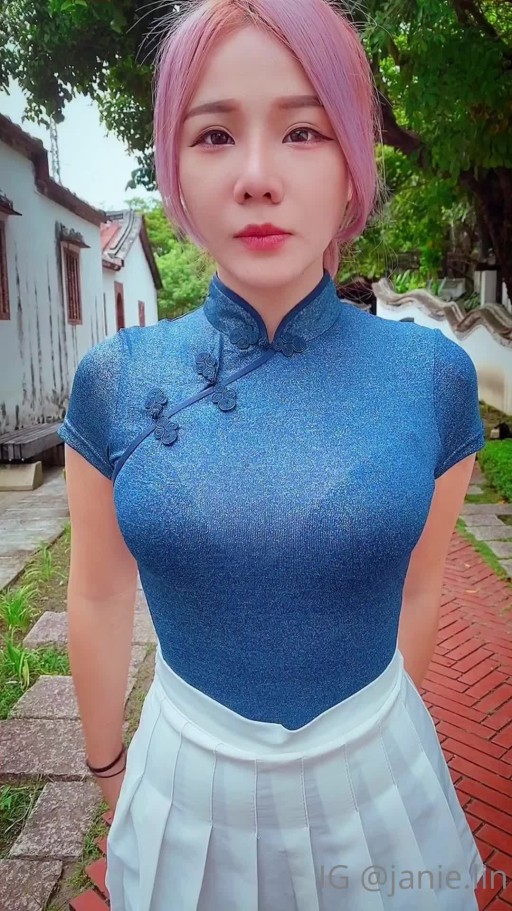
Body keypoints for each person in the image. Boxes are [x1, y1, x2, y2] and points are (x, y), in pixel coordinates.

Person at [58, 0, 488, 908]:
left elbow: (420, 587)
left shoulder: (432, 379)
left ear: (353, 164)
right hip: (183, 784)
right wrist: (108, 769)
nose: (257, 177)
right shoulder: (118, 381)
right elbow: (96, 591)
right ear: (175, 168)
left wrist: (377, 743)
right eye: (214, 135)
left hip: (383, 783)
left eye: (304, 130)